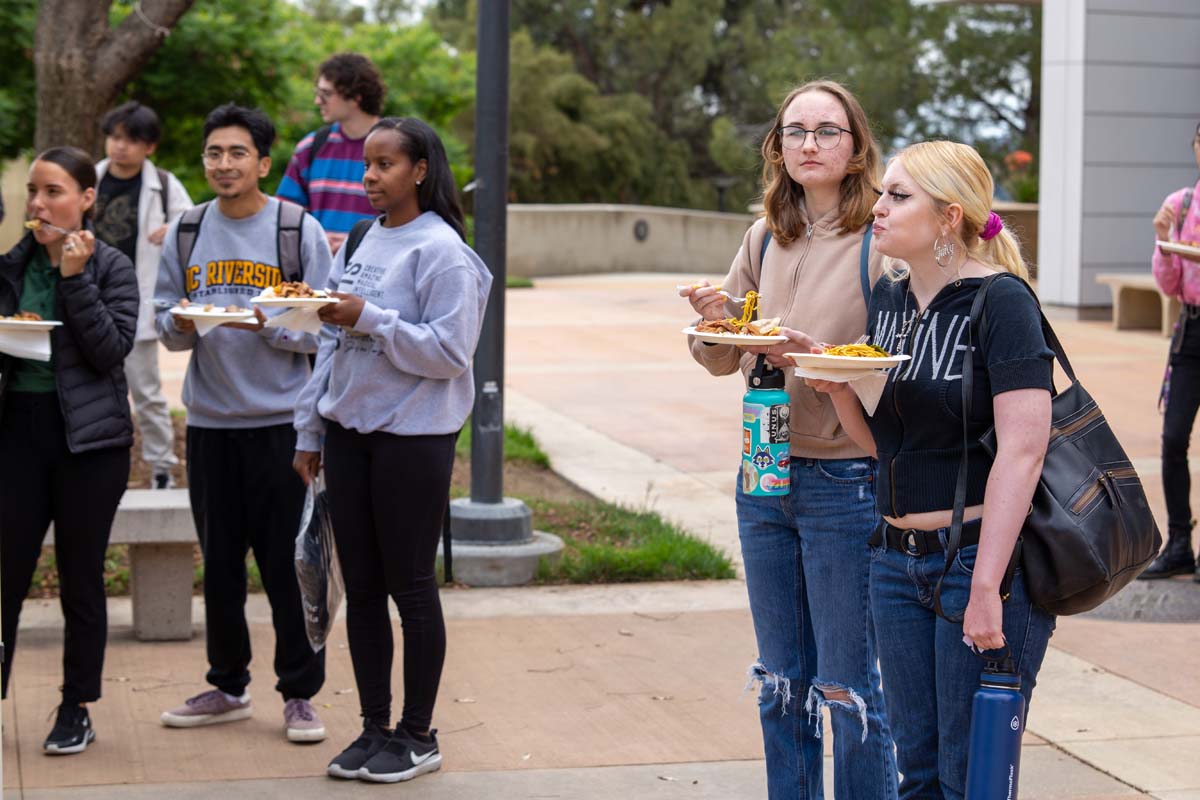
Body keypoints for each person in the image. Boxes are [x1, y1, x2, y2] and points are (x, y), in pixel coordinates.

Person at [809, 140, 1056, 798]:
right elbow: (881, 444)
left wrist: (985, 586)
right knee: (915, 770)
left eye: (898, 196)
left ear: (949, 218)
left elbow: (1024, 448)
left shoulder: (1001, 302)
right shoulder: (889, 303)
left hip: (976, 561)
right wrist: (838, 387)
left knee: (967, 773)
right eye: (883, 193)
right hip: (895, 562)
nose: (879, 209)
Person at [680, 80, 897, 800]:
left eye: (826, 131)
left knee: (848, 686)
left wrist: (810, 353)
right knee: (781, 680)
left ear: (857, 146)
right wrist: (716, 317)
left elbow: (895, 362)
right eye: (794, 132)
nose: (809, 144)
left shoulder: (882, 241)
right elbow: (722, 353)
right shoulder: (764, 235)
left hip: (845, 481)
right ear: (777, 148)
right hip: (764, 466)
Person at [293, 117, 491, 784]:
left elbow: (449, 353)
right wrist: (310, 428)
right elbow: (330, 338)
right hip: (349, 435)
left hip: (414, 439)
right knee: (365, 589)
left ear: (420, 171)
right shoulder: (361, 236)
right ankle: (375, 730)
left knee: (410, 587)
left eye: (384, 165)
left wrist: (369, 318)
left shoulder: (443, 252)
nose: (370, 178)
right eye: (365, 166)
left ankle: (418, 734)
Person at [154, 104, 333, 743]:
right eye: (212, 153)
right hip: (209, 422)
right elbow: (163, 319)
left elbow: (326, 324)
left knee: (289, 564)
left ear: (263, 163)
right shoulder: (187, 228)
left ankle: (300, 695)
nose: (223, 164)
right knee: (223, 563)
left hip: (283, 424)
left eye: (236, 153)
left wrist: (268, 324)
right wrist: (178, 323)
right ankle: (228, 685)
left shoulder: (295, 228)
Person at [1, 146, 139, 754]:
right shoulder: (10, 267)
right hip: (18, 434)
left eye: (54, 191)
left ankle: (75, 706)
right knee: (5, 573)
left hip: (90, 441)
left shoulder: (110, 266)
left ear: (86, 198)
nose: (38, 204)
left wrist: (74, 281)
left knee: (81, 578)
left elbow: (110, 352)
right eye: (34, 190)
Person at [95, 101, 193, 489]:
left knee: (147, 393)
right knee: (93, 390)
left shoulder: (164, 184)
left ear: (149, 146)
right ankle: (97, 465)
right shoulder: (91, 177)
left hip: (136, 301)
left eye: (131, 140)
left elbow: (191, 221)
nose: (120, 147)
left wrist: (171, 227)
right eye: (115, 137)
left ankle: (161, 469)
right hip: (89, 297)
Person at [1143, 120, 1200, 581]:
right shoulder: (1181, 205)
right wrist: (1165, 242)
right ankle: (1179, 542)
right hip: (1192, 330)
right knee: (1172, 438)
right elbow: (1170, 285)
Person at [277, 53, 385, 254]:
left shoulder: (395, 149)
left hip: (378, 273)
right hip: (319, 276)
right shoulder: (310, 148)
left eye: (326, 94)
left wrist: (356, 241)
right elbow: (285, 217)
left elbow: (413, 221)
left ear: (355, 97)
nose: (318, 101)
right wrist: (314, 238)